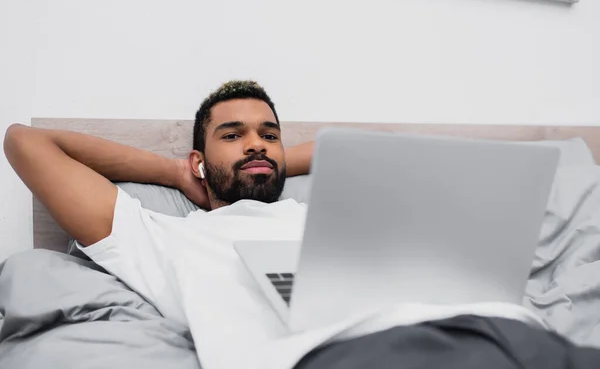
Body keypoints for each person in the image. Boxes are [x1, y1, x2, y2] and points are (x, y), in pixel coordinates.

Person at [4, 80, 600, 369]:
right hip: (366, 353)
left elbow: (371, 145)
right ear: (199, 158)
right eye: (231, 135)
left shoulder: (333, 210)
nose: (257, 145)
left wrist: (269, 157)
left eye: (270, 135)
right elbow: (27, 142)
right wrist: (176, 173)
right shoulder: (161, 235)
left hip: (518, 333)